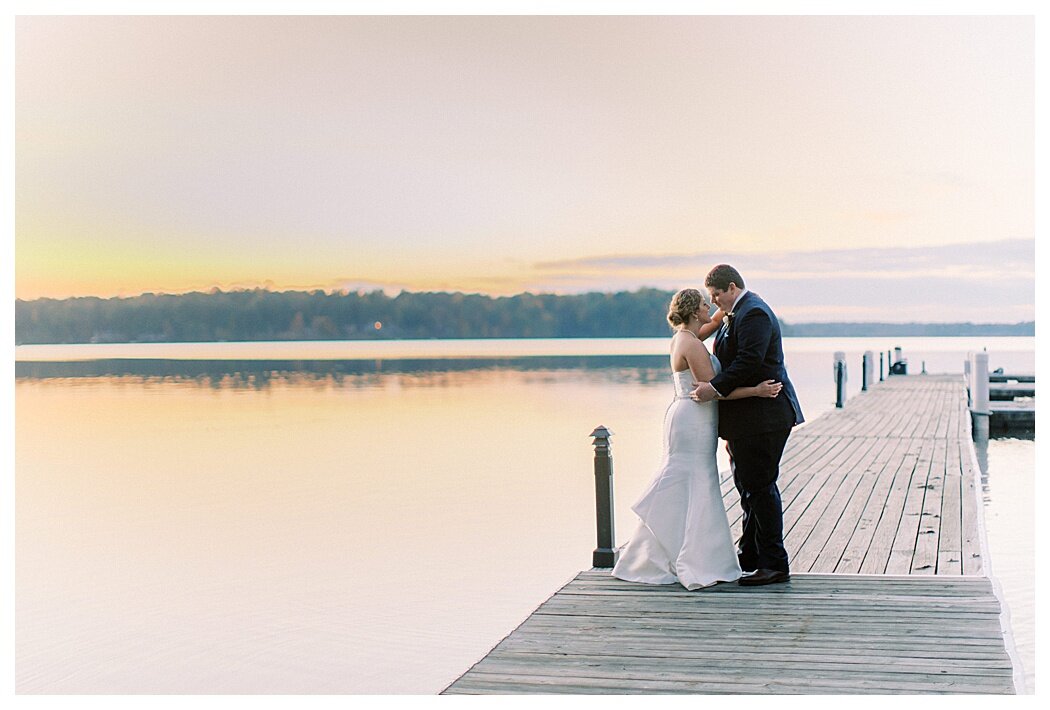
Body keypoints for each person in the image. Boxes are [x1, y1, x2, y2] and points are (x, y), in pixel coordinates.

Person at [612, 288, 783, 590]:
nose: (710, 306)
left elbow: (716, 322)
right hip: (694, 417)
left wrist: (733, 301)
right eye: (706, 304)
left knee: (692, 481)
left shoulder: (688, 336)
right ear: (694, 313)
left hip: (692, 417)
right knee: (694, 480)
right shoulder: (691, 344)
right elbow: (713, 390)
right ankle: (691, 557)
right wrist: (756, 391)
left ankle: (678, 547)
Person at [691, 265, 804, 586]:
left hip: (765, 416)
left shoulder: (753, 313)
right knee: (748, 487)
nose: (714, 302)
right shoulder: (735, 313)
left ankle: (775, 564)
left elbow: (749, 362)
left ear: (730, 287)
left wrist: (713, 388)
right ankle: (750, 555)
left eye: (716, 295)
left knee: (760, 488)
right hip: (748, 419)